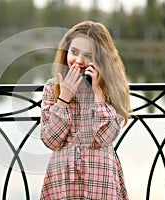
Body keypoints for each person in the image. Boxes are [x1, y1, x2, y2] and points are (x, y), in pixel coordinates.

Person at [39, 21, 131, 199]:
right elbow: (50, 141)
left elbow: (105, 137)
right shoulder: (53, 88)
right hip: (63, 178)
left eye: (88, 55)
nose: (79, 60)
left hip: (100, 176)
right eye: (74, 52)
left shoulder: (111, 88)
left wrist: (98, 94)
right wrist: (64, 98)